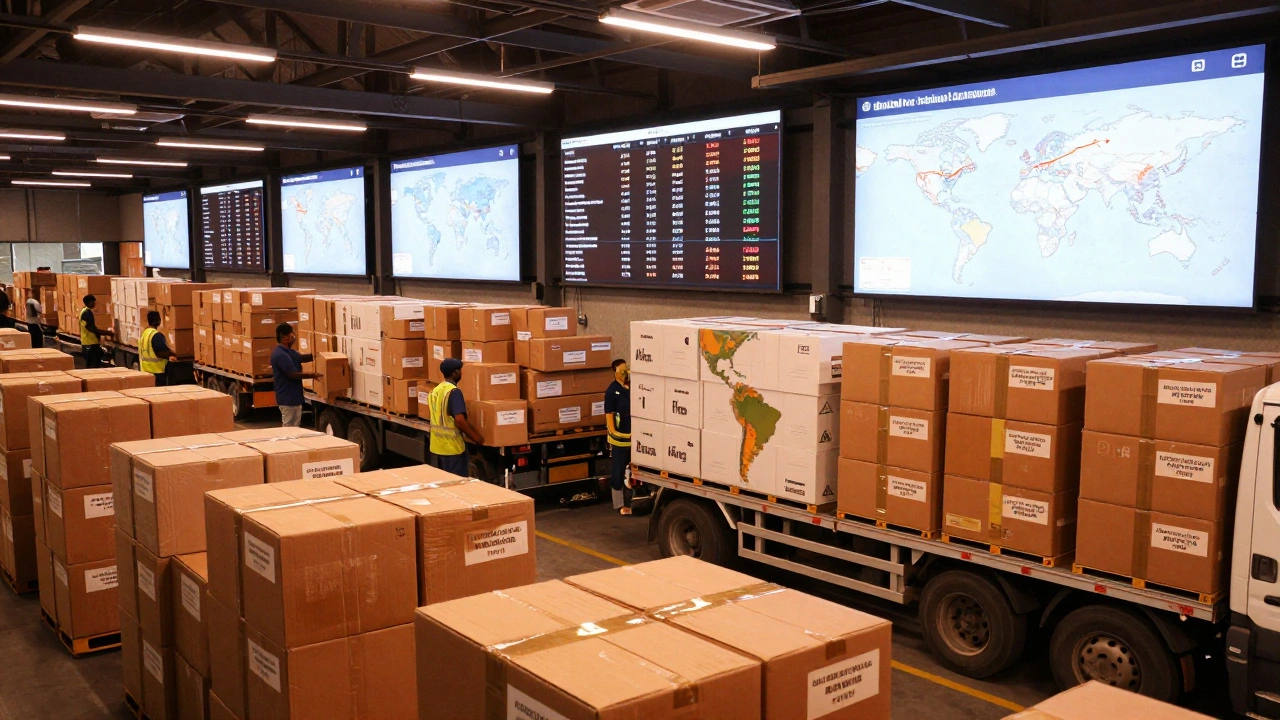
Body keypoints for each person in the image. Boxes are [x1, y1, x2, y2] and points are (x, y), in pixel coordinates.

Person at [426, 358, 483, 477]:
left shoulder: (434, 391)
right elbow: (459, 420)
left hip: (437, 447)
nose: (461, 373)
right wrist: (476, 438)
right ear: (455, 373)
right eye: (460, 370)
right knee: (456, 484)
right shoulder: (454, 392)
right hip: (452, 449)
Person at [270, 323, 319, 427]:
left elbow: (302, 358)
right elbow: (293, 375)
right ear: (285, 337)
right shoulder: (280, 355)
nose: (294, 336)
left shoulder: (289, 352)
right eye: (291, 334)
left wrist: (318, 355)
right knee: (288, 428)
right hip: (287, 398)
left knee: (295, 428)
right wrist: (312, 375)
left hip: (294, 398)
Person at [604, 359, 634, 514]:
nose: (625, 373)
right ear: (615, 372)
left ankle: (630, 503)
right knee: (618, 470)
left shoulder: (631, 387)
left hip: (632, 436)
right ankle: (618, 503)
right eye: (622, 370)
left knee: (632, 471)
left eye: (626, 369)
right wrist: (614, 432)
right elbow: (609, 415)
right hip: (619, 439)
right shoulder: (612, 391)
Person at [138, 311, 178, 386]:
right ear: (159, 321)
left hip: (146, 371)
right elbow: (162, 352)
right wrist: (175, 354)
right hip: (157, 373)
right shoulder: (156, 335)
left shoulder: (144, 334)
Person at [79, 295, 112, 368]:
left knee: (97, 360)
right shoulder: (86, 313)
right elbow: (91, 328)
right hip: (90, 343)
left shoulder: (84, 311)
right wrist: (107, 333)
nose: (94, 304)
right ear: (89, 302)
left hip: (91, 343)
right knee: (93, 365)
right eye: (93, 302)